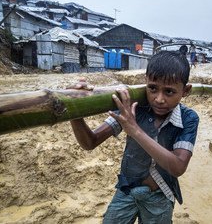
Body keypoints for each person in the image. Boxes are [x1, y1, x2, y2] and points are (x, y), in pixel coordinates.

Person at [70, 51, 200, 223]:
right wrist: (73, 109)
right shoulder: (133, 108)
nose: (159, 99)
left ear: (186, 91)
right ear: (145, 81)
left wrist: (135, 130)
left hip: (159, 196)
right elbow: (90, 142)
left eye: (169, 92)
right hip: (127, 190)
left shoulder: (189, 118)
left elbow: (178, 167)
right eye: (152, 88)